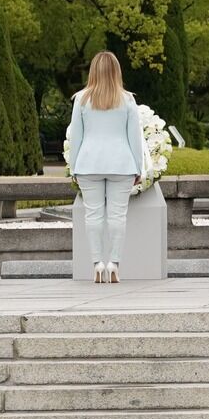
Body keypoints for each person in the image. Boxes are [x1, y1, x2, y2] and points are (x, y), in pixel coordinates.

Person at [64, 51, 148, 283]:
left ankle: (97, 263)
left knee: (93, 215)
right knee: (117, 216)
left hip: (88, 163)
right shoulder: (128, 99)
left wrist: (73, 168)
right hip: (121, 163)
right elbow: (134, 137)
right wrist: (138, 168)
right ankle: (114, 263)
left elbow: (76, 137)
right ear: (117, 71)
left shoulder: (81, 99)